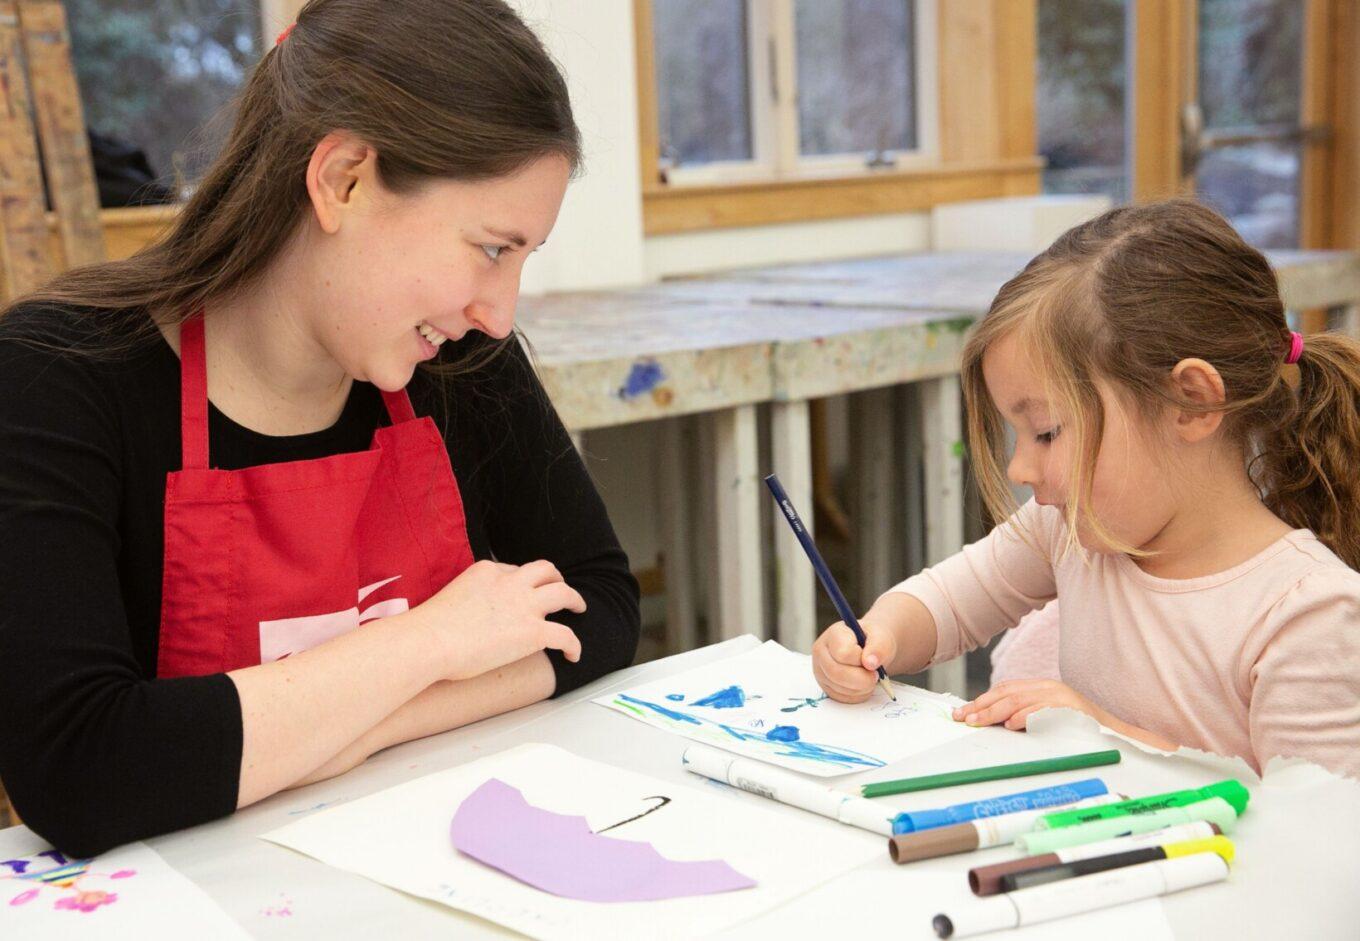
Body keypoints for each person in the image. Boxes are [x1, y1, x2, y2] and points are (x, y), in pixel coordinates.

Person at [0, 0, 640, 856]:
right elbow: (82, 770)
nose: (498, 314)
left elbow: (598, 605)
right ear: (341, 179)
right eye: (492, 248)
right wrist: (431, 643)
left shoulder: (462, 368)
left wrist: (345, 725)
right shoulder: (56, 379)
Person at [813, 199, 1360, 780]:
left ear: (1193, 402)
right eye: (1017, 435)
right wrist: (877, 635)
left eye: (1047, 431)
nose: (1020, 467)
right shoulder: (1070, 532)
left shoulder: (1309, 613)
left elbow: (1319, 832)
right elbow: (946, 603)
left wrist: (1103, 735)